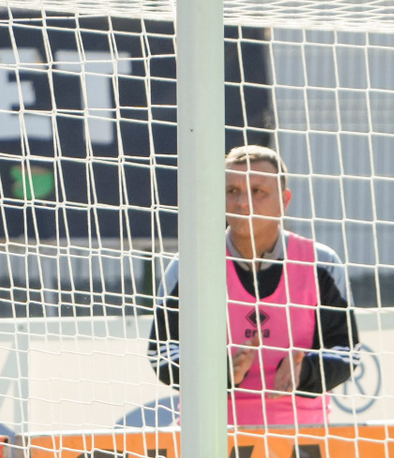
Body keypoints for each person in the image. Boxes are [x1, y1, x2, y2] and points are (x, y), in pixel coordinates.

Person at [146, 145, 360, 426]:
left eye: (257, 191)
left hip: (301, 432)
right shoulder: (191, 265)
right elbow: (161, 353)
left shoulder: (321, 264)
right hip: (209, 433)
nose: (243, 203)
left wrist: (305, 371)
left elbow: (347, 350)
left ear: (284, 200)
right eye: (232, 191)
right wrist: (221, 373)